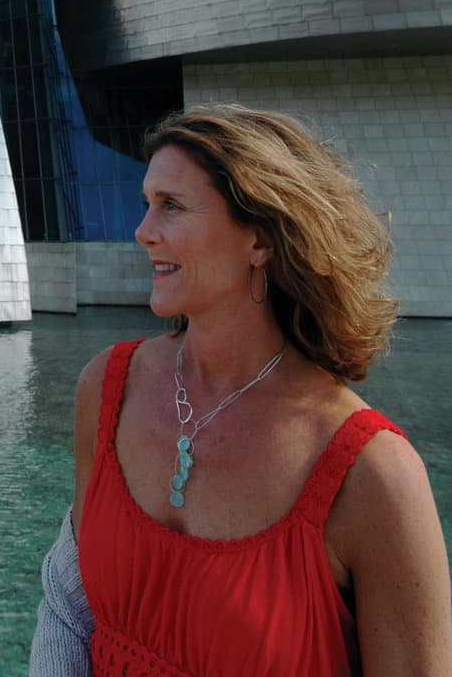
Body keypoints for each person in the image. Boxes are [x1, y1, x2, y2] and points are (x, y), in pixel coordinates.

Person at [30, 103, 452, 676]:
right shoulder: (106, 389)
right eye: (146, 203)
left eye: (171, 207)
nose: (142, 231)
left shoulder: (373, 475)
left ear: (260, 239)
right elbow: (69, 608)